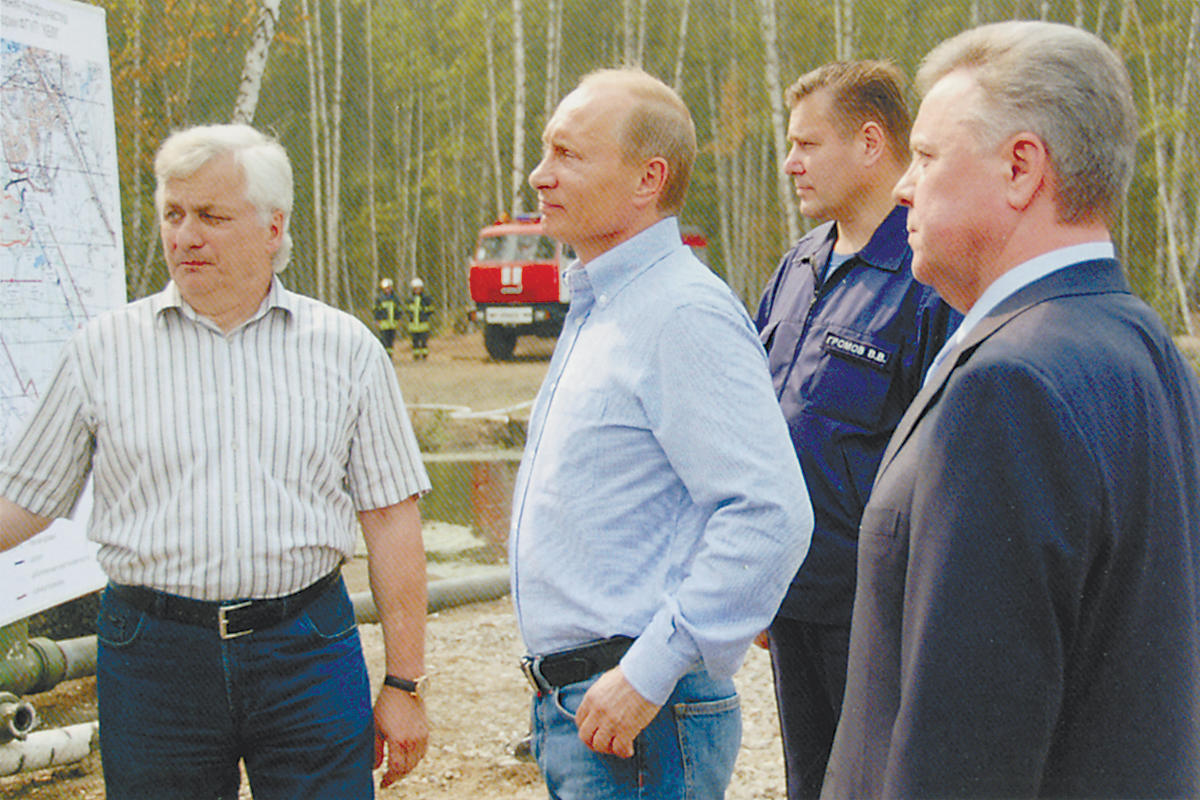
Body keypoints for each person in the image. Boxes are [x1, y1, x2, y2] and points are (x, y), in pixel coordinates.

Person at [823, 21, 1200, 798]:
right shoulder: (1142, 349)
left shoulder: (1010, 386)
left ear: (1021, 168)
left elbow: (966, 751)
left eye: (926, 158)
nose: (902, 184)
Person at [0, 124, 432, 798]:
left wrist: (404, 683)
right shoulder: (101, 351)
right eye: (173, 214)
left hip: (306, 650)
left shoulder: (346, 351)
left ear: (272, 227)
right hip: (152, 659)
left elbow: (391, 521)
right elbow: (24, 500)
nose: (184, 236)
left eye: (210, 216)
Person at [510, 68, 814, 799]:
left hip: (640, 712)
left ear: (648, 178)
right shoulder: (608, 304)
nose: (538, 174)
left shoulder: (679, 314)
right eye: (545, 152)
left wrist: (649, 673)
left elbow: (771, 514)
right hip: (593, 709)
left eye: (568, 154)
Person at [753, 61, 960, 800]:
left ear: (871, 143)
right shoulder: (799, 265)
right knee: (809, 781)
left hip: (878, 612)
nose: (791, 161)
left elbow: (953, 462)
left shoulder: (930, 274)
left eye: (808, 143)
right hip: (792, 598)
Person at [405, 277, 434, 360]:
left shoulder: (426, 299)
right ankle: (416, 355)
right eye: (416, 288)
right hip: (413, 324)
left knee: (424, 341)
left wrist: (424, 310)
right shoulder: (410, 299)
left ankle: (424, 355)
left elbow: (431, 310)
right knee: (415, 341)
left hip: (423, 324)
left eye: (419, 288)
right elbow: (407, 310)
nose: (417, 290)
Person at [373, 276, 402, 356]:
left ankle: (390, 355)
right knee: (384, 340)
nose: (388, 290)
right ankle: (384, 355)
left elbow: (398, 310)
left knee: (391, 340)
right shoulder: (380, 298)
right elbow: (376, 310)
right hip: (384, 324)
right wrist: (377, 320)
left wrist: (399, 319)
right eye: (386, 288)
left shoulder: (395, 298)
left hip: (393, 323)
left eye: (389, 288)